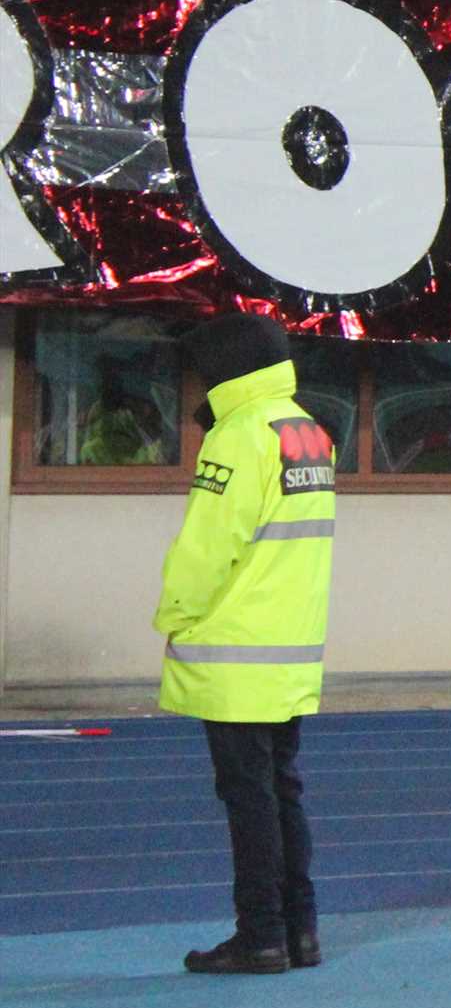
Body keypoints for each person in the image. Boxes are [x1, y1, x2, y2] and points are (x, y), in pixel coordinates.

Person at [157, 312, 335, 974]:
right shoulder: (306, 430)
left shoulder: (236, 436)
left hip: (234, 649)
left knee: (248, 797)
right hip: (289, 647)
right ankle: (299, 931)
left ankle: (260, 935)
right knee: (281, 790)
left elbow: (208, 547)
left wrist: (174, 613)